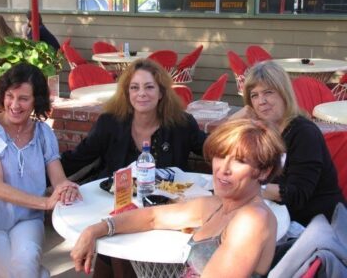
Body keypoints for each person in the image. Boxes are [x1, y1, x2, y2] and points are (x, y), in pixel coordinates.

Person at [70, 118, 285, 277]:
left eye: (239, 161)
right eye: (220, 156)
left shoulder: (252, 220)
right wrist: (95, 230)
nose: (223, 169)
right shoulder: (217, 205)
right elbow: (152, 216)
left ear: (264, 171)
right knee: (113, 259)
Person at [61, 58, 207, 277]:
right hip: (114, 206)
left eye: (149, 87)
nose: (142, 93)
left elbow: (211, 148)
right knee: (116, 252)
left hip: (163, 213)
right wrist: (48, 176)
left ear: (161, 93)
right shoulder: (110, 123)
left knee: (119, 255)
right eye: (134, 87)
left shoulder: (181, 123)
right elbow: (79, 157)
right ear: (127, 93)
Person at [0, 63, 81, 277]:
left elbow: (59, 179)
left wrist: (66, 189)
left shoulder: (43, 134)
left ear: (36, 101)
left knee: (26, 264)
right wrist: (45, 202)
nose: (14, 104)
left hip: (28, 220)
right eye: (9, 96)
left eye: (23, 98)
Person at [230, 60, 345, 226]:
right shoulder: (265, 130)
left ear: (284, 94)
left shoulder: (304, 133)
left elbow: (296, 195)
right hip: (281, 217)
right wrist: (234, 123)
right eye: (254, 95)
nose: (261, 101)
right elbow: (217, 149)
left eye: (268, 92)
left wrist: (249, 188)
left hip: (318, 225)